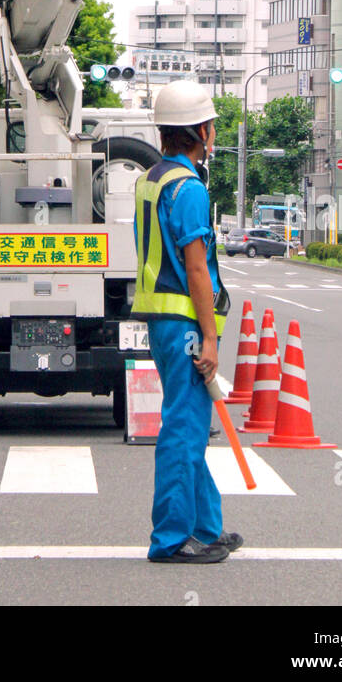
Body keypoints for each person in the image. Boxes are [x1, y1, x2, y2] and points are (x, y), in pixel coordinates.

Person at [131, 80, 241, 563]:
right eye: (212, 127)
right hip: (186, 324)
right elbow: (196, 267)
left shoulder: (151, 179)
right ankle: (173, 539)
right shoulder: (189, 187)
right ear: (199, 131)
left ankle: (206, 528)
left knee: (190, 423)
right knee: (184, 428)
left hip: (163, 322)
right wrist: (212, 339)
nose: (213, 134)